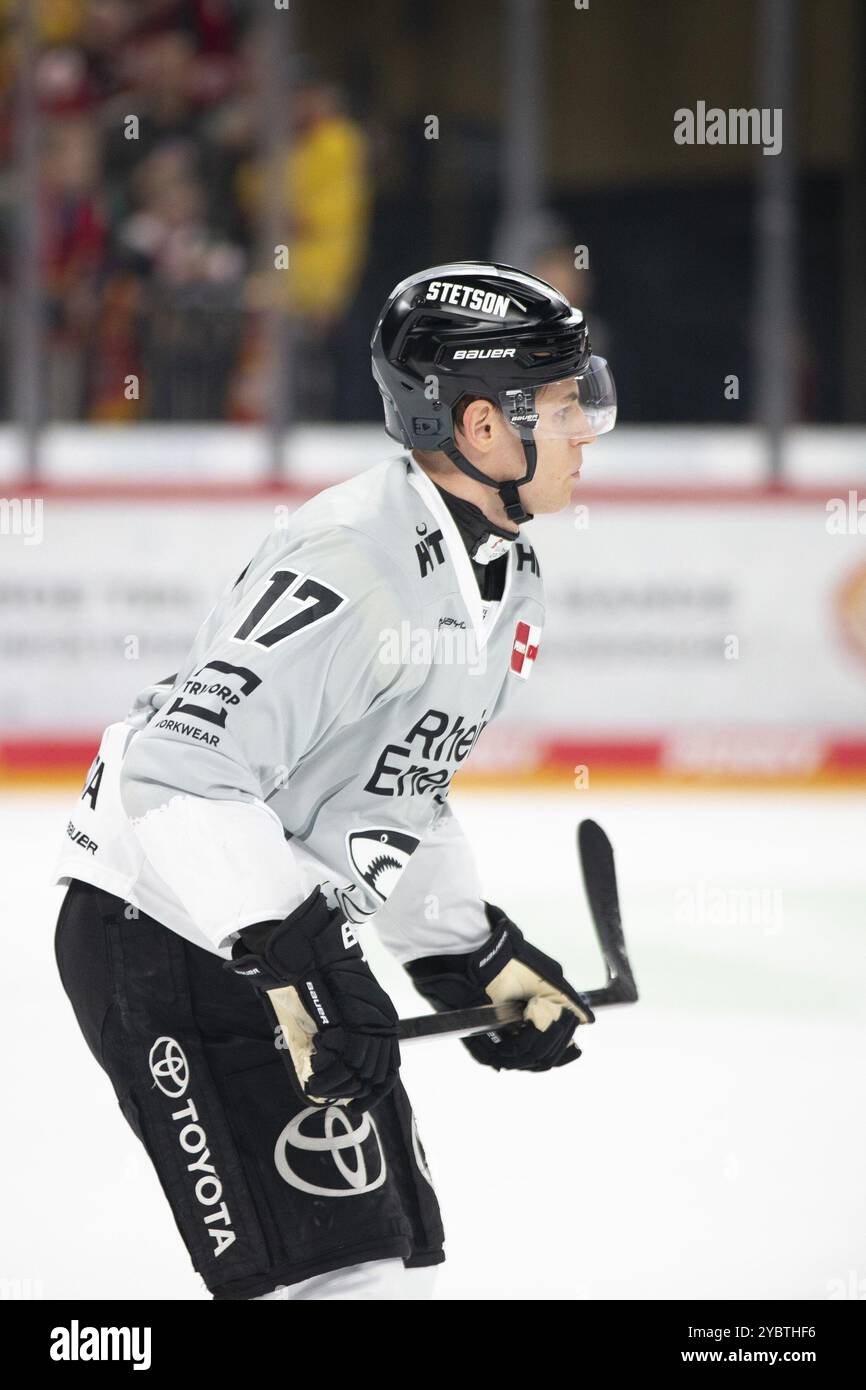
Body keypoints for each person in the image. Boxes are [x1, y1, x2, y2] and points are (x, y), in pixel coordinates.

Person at [52, 261, 617, 1300]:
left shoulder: (498, 571)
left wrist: (465, 953)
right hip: (164, 939)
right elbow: (176, 767)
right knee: (338, 1284)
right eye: (562, 401)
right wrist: (294, 961)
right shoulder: (354, 565)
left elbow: (394, 789)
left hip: (261, 943)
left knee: (381, 1270)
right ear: (483, 428)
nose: (588, 426)